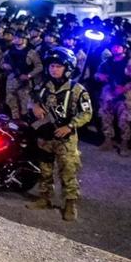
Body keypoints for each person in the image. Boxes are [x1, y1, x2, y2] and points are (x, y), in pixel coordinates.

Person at [25, 47, 93, 221]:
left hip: (65, 139)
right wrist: (34, 106)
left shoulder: (77, 90)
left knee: (68, 171)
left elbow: (86, 113)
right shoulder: (42, 86)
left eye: (58, 66)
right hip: (45, 136)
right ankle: (44, 198)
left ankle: (70, 204)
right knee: (45, 170)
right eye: (51, 66)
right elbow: (30, 100)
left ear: (67, 68)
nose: (53, 69)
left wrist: (70, 126)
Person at [95, 36, 131, 156]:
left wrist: (125, 88)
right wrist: (100, 76)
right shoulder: (107, 61)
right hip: (108, 93)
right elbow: (97, 73)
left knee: (124, 120)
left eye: (118, 47)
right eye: (114, 47)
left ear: (124, 49)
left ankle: (124, 144)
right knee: (106, 118)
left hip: (124, 94)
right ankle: (108, 141)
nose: (115, 49)